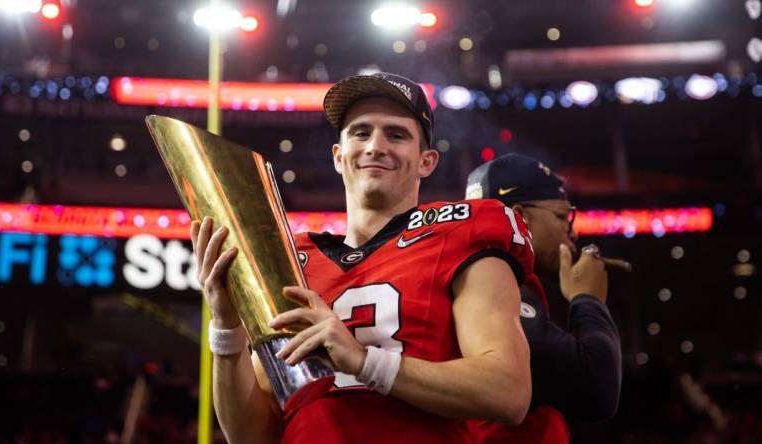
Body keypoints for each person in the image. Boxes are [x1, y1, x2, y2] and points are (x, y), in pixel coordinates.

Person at [191, 73, 537, 444]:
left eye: (396, 134)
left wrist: (364, 361)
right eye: (360, 132)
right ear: (339, 156)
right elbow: (252, 437)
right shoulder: (294, 262)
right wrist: (227, 329)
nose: (375, 146)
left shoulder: (460, 236)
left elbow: (508, 392)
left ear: (427, 161)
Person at [464, 153, 622, 443]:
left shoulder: (467, 276)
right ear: (520, 217)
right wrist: (588, 298)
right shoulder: (502, 288)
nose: (572, 232)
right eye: (562, 216)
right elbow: (599, 390)